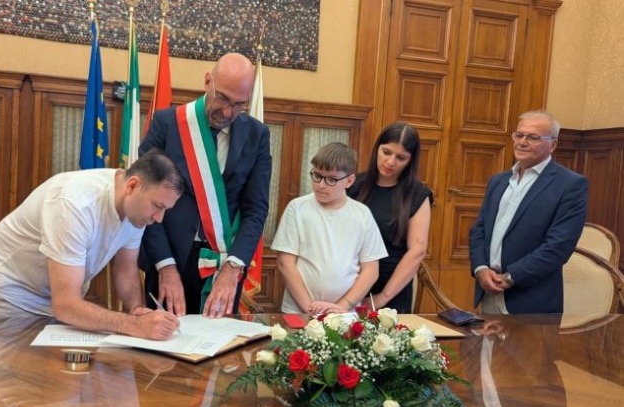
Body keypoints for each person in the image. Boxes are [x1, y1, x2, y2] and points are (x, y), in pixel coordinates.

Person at [0, 149, 183, 340]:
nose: (159, 218)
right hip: (12, 292)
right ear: (132, 185)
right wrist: (135, 325)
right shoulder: (74, 204)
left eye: (165, 209)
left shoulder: (137, 211)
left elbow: (126, 271)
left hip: (56, 300)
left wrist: (137, 310)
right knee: (16, 369)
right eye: (158, 206)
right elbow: (65, 305)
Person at [139, 52, 271, 318]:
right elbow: (144, 198)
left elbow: (255, 209)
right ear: (208, 81)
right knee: (162, 340)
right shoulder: (168, 124)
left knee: (219, 342)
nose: (227, 111)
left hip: (225, 268)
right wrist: (165, 265)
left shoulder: (257, 135)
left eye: (239, 104)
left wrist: (233, 267)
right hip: (169, 261)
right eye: (222, 97)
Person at [469, 110, 588, 314]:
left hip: (530, 300)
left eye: (533, 137)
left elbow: (558, 247)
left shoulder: (570, 185)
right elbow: (478, 230)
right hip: (489, 292)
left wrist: (510, 278)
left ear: (552, 145)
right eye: (519, 135)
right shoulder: (498, 181)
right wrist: (480, 269)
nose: (522, 142)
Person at [272, 142, 387, 315]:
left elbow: (371, 270)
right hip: (300, 310)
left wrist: (342, 307)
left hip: (344, 313)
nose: (321, 185)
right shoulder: (297, 208)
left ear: (349, 181)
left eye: (331, 179)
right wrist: (310, 308)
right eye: (317, 175)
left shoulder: (362, 214)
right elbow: (285, 262)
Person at [348, 122, 433, 313]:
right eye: (386, 152)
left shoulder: (417, 194)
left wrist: (381, 298)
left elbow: (417, 251)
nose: (391, 162)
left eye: (401, 157)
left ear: (410, 160)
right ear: (377, 148)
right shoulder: (354, 185)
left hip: (392, 290)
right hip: (350, 283)